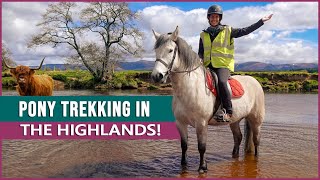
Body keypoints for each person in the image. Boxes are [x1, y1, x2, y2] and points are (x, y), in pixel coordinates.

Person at [198, 4, 272, 122]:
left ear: (220, 18)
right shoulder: (203, 34)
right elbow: (201, 52)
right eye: (212, 17)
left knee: (222, 82)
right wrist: (200, 59)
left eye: (216, 17)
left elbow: (245, 31)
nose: (214, 19)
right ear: (208, 18)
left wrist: (260, 22)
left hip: (223, 65)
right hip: (207, 66)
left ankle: (228, 111)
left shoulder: (228, 30)